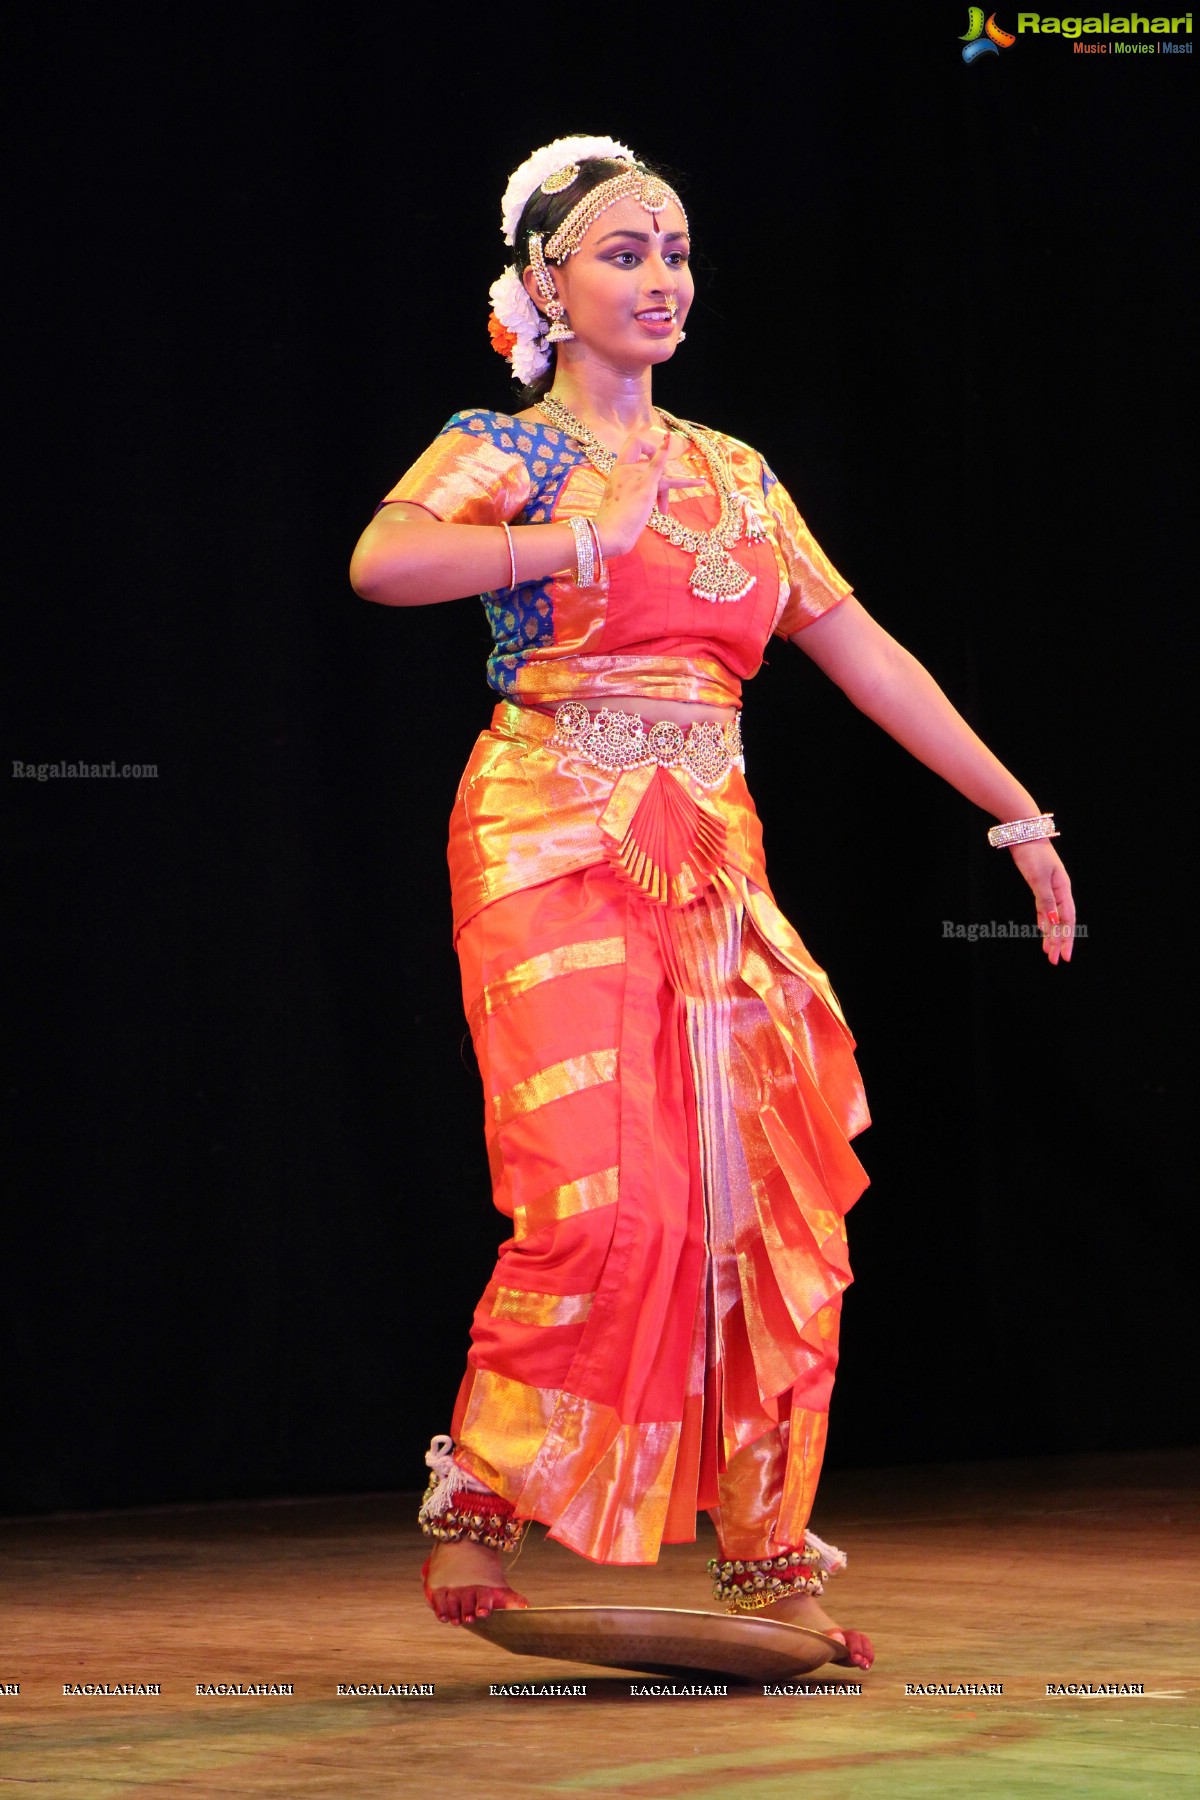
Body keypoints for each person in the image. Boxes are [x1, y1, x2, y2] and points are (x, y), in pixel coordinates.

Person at [349, 137, 1075, 1675]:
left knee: (763, 1201)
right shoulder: (512, 449)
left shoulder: (738, 471)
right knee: (608, 1197)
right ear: (547, 285)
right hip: (550, 828)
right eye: (623, 254)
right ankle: (484, 1500)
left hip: (712, 851)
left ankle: (763, 1556)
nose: (662, 277)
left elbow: (862, 648)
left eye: (676, 251)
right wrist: (565, 542)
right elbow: (386, 562)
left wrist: (1015, 813)